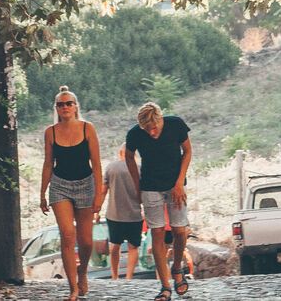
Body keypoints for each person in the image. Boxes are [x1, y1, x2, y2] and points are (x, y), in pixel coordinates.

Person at [40, 87, 105, 301]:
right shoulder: (50, 132)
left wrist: (99, 195)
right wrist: (42, 193)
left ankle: (83, 271)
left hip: (86, 184)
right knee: (68, 235)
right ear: (57, 109)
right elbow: (48, 163)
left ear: (76, 106)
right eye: (61, 104)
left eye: (69, 103)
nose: (65, 107)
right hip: (60, 186)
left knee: (86, 241)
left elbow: (96, 164)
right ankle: (73, 288)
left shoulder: (88, 128)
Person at [125, 101, 192, 301]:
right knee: (157, 234)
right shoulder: (135, 134)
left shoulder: (176, 124)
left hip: (175, 185)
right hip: (150, 187)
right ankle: (165, 287)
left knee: (180, 231)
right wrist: (137, 186)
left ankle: (177, 267)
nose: (152, 133)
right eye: (147, 129)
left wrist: (180, 182)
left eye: (154, 127)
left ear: (160, 119)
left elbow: (187, 151)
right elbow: (129, 157)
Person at [102, 144, 143, 280]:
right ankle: (129, 277)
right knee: (133, 247)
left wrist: (96, 209)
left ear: (120, 153)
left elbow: (103, 190)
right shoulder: (140, 169)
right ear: (134, 154)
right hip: (134, 215)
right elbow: (144, 193)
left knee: (115, 246)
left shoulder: (111, 167)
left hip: (114, 214)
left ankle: (114, 276)